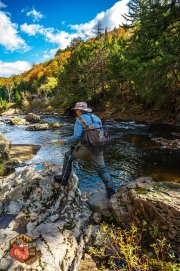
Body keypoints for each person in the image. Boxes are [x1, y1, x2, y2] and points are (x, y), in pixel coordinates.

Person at [54, 101, 115, 198]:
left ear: (79, 110)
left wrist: (65, 141)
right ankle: (111, 191)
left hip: (86, 146)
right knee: (102, 168)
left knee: (68, 156)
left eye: (76, 110)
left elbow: (76, 136)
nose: (76, 112)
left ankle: (63, 179)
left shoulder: (80, 119)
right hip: (99, 145)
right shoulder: (95, 117)